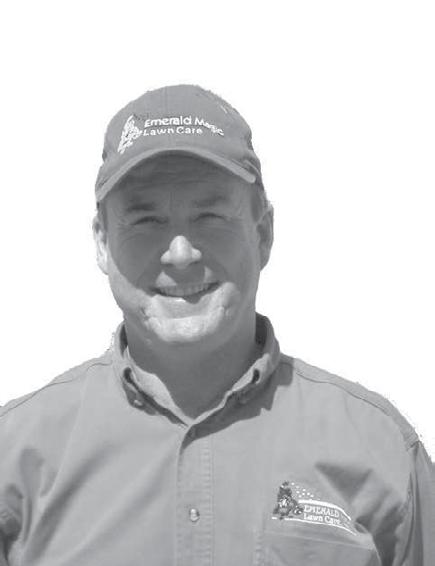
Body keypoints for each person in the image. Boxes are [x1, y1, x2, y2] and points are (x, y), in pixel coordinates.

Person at [0, 84, 433, 566]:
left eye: (210, 216)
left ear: (263, 234)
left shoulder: (381, 451)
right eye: (146, 220)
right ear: (101, 242)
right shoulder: (15, 460)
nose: (180, 254)